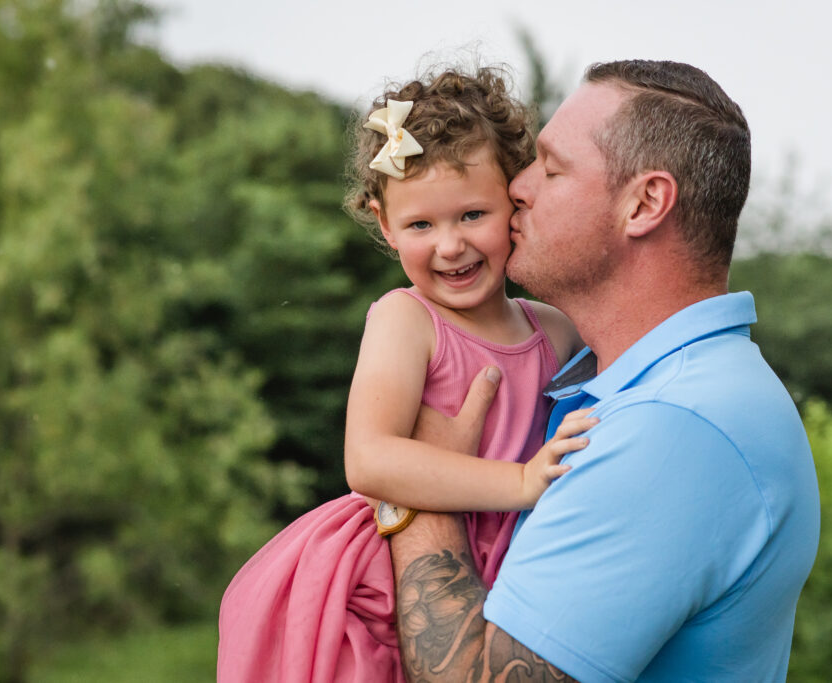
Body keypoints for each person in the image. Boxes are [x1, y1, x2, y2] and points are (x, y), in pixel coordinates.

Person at [383, 60, 821, 682]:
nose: (517, 187)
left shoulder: (671, 428)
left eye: (551, 168)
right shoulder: (659, 387)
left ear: (644, 203)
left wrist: (421, 487)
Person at [216, 66, 595, 682]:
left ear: (514, 201)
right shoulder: (406, 320)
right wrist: (521, 480)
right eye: (421, 225)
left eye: (472, 214)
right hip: (393, 570)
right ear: (385, 224)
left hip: (513, 563)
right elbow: (370, 460)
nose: (449, 246)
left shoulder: (554, 328)